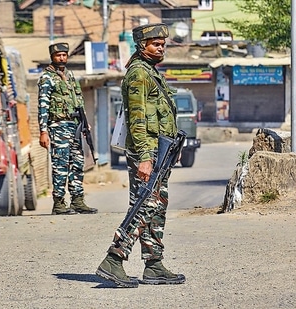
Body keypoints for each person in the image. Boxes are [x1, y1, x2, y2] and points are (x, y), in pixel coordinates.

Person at [95, 23, 185, 288]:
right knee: (146, 203)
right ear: (141, 45)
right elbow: (137, 120)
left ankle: (154, 265)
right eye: (155, 44)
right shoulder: (138, 75)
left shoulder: (150, 72)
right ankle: (114, 258)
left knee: (158, 206)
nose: (161, 48)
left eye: (162, 44)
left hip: (160, 150)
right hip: (146, 151)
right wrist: (145, 157)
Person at [37, 42, 98, 215]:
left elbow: (78, 101)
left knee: (78, 163)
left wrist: (85, 122)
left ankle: (78, 201)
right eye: (58, 55)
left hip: (75, 126)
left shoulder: (70, 76)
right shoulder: (46, 78)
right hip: (58, 126)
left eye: (64, 55)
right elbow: (43, 106)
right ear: (52, 57)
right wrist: (43, 131)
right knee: (60, 165)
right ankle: (59, 203)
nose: (62, 58)